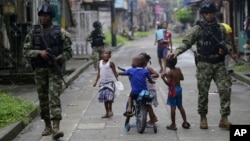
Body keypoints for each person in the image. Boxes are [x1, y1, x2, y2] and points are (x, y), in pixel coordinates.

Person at [167, 0, 233, 130]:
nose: (209, 15)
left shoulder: (221, 29)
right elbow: (187, 42)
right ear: (203, 14)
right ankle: (203, 117)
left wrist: (225, 49)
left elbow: (229, 44)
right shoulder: (197, 29)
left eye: (211, 13)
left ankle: (224, 118)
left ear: (214, 13)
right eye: (207, 13)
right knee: (203, 93)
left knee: (225, 89)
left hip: (219, 64)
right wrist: (176, 52)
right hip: (204, 64)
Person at [23, 1, 72, 140]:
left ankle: (56, 128)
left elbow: (69, 52)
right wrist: (39, 53)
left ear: (51, 16)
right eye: (41, 15)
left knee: (54, 98)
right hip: (39, 70)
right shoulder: (33, 32)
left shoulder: (61, 32)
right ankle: (47, 126)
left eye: (46, 15)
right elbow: (25, 51)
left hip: (53, 70)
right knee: (43, 99)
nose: (43, 18)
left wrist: (58, 58)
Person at [161, 56, 190, 130]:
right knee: (180, 106)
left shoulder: (170, 72)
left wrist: (163, 78)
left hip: (173, 90)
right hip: (179, 89)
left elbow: (169, 84)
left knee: (173, 107)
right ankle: (185, 122)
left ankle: (173, 124)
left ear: (167, 64)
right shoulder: (178, 69)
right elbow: (182, 78)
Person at [93, 48, 118, 118]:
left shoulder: (111, 63)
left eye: (108, 54)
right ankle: (107, 112)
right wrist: (95, 81)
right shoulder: (99, 63)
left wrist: (117, 79)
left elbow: (115, 72)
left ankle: (110, 108)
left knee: (109, 97)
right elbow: (99, 73)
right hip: (102, 83)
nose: (106, 55)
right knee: (104, 98)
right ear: (102, 55)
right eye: (105, 53)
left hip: (110, 82)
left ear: (110, 56)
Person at [139, 53, 159, 126]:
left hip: (150, 90)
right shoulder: (139, 69)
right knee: (146, 105)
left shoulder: (148, 68)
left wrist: (148, 76)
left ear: (146, 61)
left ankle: (152, 121)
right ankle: (154, 117)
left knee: (148, 105)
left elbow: (156, 74)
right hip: (143, 89)